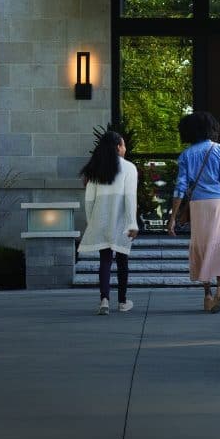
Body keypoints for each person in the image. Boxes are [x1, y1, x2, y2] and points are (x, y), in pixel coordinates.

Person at [168, 112, 220, 313]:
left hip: (198, 205)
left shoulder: (186, 155)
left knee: (201, 247)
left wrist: (172, 218)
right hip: (219, 204)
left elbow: (180, 187)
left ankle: (207, 294)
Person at [79, 130, 138, 315]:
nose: (125, 148)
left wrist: (92, 222)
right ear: (118, 147)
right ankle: (122, 302)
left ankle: (104, 300)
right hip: (121, 222)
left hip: (101, 221)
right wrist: (132, 223)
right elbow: (130, 198)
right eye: (123, 144)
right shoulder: (129, 168)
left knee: (105, 260)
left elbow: (89, 200)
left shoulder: (95, 169)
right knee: (122, 261)